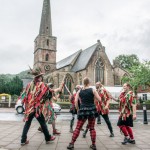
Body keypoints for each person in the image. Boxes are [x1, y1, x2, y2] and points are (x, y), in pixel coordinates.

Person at [20, 67, 55, 145]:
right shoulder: (42, 85)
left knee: (27, 124)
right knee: (42, 123)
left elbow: (25, 96)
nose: (41, 77)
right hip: (37, 109)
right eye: (41, 76)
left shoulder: (29, 85)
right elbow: (48, 93)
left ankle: (23, 140)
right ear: (39, 77)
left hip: (29, 108)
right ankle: (48, 138)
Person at [67, 77, 101, 150]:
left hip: (83, 110)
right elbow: (100, 99)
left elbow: (76, 102)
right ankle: (93, 145)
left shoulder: (79, 91)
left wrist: (78, 109)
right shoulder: (93, 90)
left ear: (83, 82)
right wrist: (94, 98)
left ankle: (71, 144)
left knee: (78, 128)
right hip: (92, 109)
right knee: (92, 128)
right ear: (89, 82)